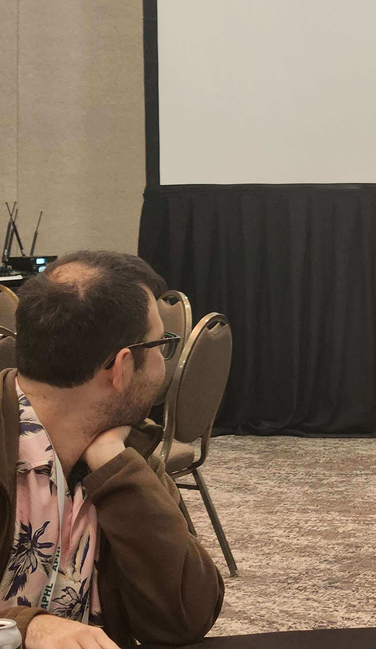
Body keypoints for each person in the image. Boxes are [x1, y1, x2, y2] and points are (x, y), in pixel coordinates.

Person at [0, 251, 224, 648]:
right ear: (121, 368)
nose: (163, 362)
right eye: (161, 345)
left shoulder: (128, 451)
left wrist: (116, 470)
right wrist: (25, 626)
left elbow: (187, 618)